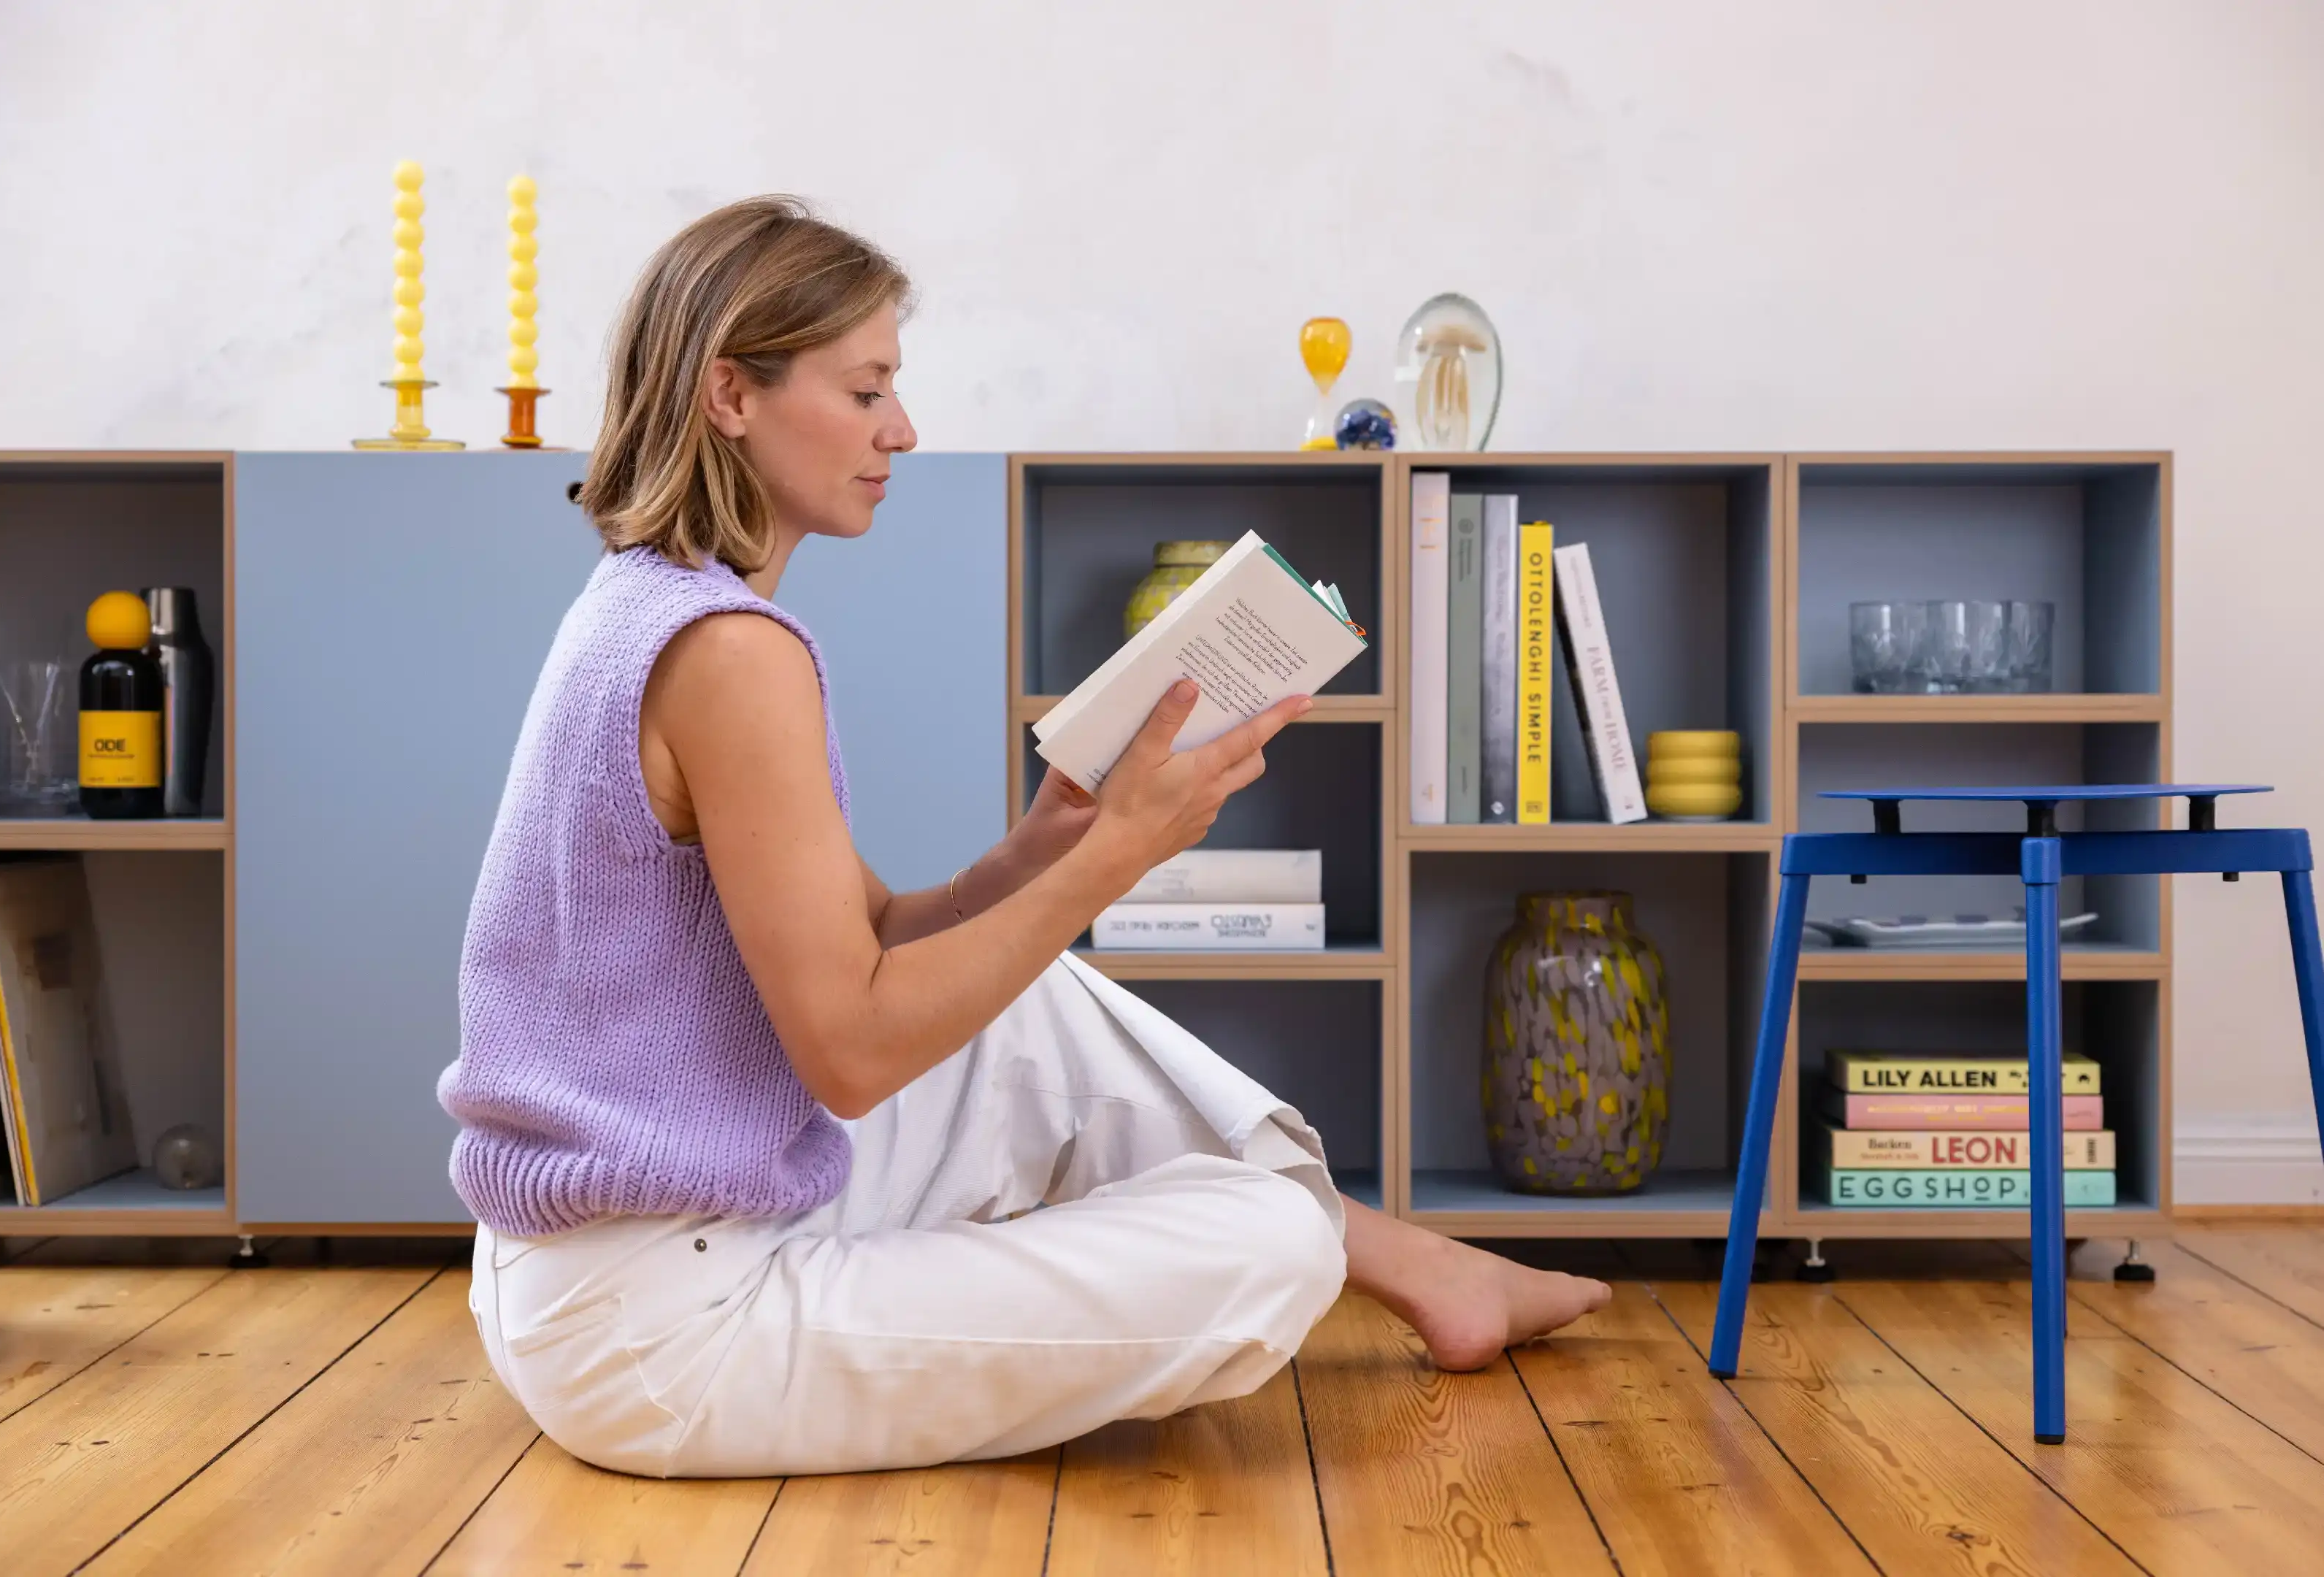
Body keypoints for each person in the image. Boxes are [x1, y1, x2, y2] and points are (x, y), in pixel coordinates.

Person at [439, 196, 1610, 1479]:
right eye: (867, 387)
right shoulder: (729, 654)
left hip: (602, 1263)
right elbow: (850, 1049)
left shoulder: (652, 606)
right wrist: (1122, 857)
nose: (902, 429)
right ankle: (1331, 1244)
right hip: (663, 1335)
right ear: (730, 393)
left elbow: (866, 941)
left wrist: (1042, 848)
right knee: (1271, 1252)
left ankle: (1402, 1260)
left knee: (1024, 999)